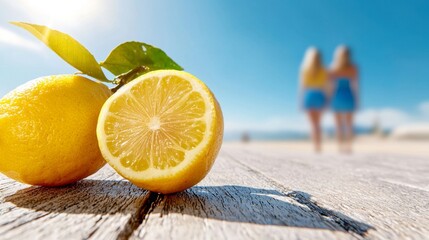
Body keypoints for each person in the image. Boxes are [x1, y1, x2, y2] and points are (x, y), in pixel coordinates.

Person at [329, 45, 359, 153]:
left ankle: (340, 148)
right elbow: (356, 86)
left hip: (337, 95)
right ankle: (348, 147)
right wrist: (356, 99)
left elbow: (330, 86)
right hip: (348, 94)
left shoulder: (333, 68)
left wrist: (328, 99)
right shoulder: (353, 68)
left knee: (338, 125)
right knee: (349, 124)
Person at [300, 47, 328, 152]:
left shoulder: (305, 70)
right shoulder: (323, 70)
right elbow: (326, 86)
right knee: (318, 124)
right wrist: (327, 99)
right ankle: (318, 145)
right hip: (319, 95)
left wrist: (301, 101)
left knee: (313, 124)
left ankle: (316, 146)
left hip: (309, 95)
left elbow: (303, 87)